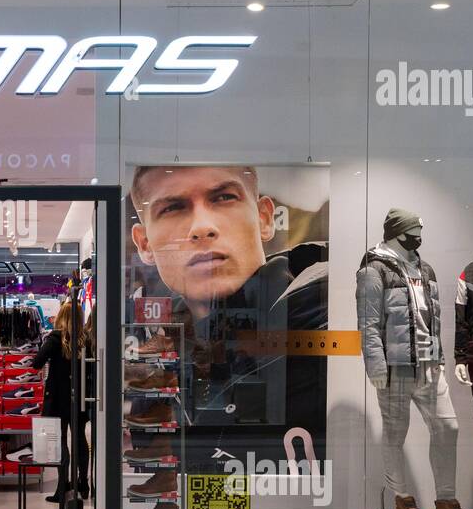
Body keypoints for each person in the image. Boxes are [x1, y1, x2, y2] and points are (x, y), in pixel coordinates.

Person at [128, 164, 328, 477]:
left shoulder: (320, 323)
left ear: (263, 218)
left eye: (223, 198)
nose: (202, 227)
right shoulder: (163, 364)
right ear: (144, 244)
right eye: (173, 207)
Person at [33, 300, 91, 501]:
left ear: (60, 318)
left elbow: (36, 362)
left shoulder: (55, 338)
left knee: (61, 442)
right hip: (80, 397)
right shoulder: (87, 339)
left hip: (58, 397)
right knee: (80, 439)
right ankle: (83, 483)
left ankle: (61, 487)